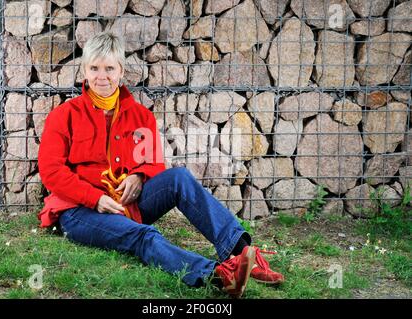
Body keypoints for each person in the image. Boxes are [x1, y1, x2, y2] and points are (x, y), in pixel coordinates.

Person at [37, 32, 284, 298]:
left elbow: (153, 160)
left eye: (109, 68)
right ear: (85, 71)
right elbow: (51, 171)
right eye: (94, 68)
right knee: (144, 236)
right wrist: (94, 198)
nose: (102, 76)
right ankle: (217, 275)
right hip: (79, 212)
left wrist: (140, 177)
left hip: (126, 205)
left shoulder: (141, 115)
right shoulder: (63, 116)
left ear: (121, 71)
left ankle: (243, 253)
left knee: (179, 178)